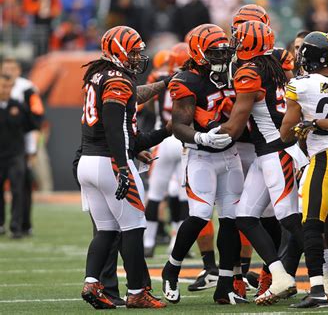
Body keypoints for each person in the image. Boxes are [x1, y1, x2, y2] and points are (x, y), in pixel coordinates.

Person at [78, 25, 171, 309]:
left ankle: (93, 283)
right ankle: (136, 291)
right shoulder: (117, 79)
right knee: (134, 227)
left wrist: (165, 84)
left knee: (106, 230)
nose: (137, 58)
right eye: (133, 53)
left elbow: (129, 102)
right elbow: (115, 127)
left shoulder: (98, 73)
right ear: (118, 51)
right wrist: (122, 165)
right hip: (109, 162)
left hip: (88, 161)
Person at [218, 20, 307, 306]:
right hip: (267, 152)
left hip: (275, 151)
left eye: (239, 38)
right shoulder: (273, 64)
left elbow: (234, 126)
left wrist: (199, 135)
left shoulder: (249, 71)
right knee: (245, 216)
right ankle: (280, 275)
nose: (235, 43)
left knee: (291, 219)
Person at [161, 24, 247, 305]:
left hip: (230, 156)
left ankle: (224, 284)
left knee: (231, 220)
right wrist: (201, 136)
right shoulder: (187, 80)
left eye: (225, 52)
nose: (222, 58)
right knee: (199, 214)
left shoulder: (234, 75)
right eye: (215, 53)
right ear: (199, 52)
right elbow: (179, 124)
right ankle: (172, 268)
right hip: (201, 157)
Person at [280, 31, 328, 308]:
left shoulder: (300, 85)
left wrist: (292, 131)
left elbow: (287, 131)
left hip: (323, 158)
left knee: (311, 224)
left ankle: (318, 290)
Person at [143, 43, 190, 258]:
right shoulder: (193, 78)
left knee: (154, 194)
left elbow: (146, 104)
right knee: (183, 196)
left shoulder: (159, 78)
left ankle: (148, 241)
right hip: (184, 140)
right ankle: (175, 243)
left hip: (163, 138)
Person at [1, 58, 45, 237]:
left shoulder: (27, 89)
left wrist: (32, 149)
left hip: (18, 150)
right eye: (6, 68)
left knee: (21, 187)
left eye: (13, 68)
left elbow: (35, 122)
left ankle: (21, 225)